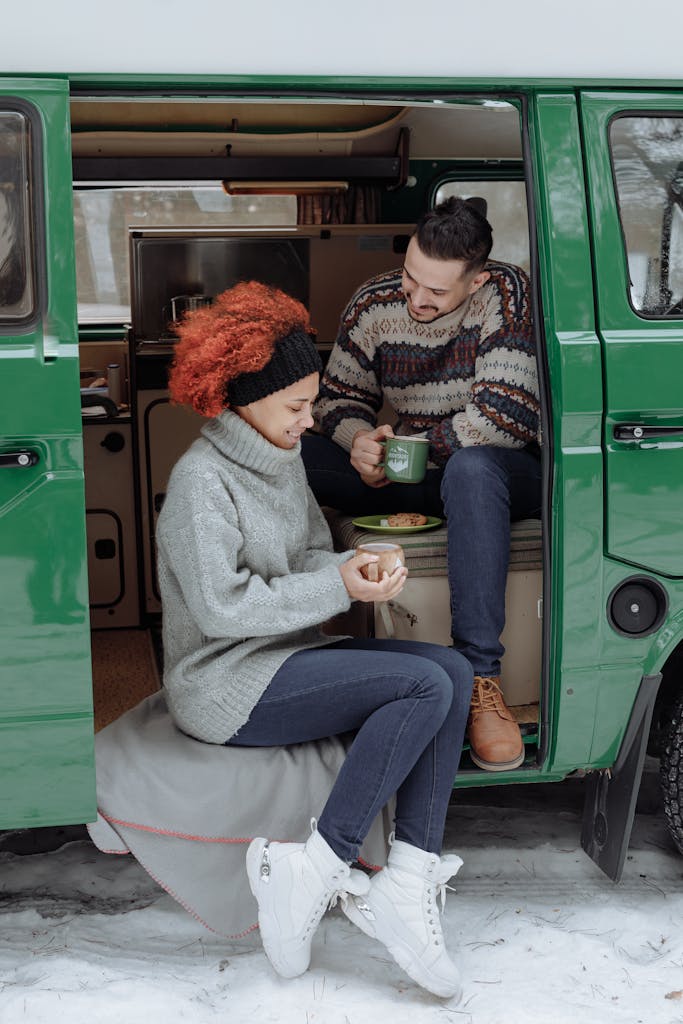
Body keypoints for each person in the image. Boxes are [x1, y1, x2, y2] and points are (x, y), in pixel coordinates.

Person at [155, 281, 474, 1000]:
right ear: (245, 401)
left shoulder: (280, 460)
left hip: (286, 657)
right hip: (222, 682)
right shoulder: (200, 482)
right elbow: (221, 612)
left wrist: (351, 567)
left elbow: (303, 556)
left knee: (450, 671)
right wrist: (337, 590)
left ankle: (409, 876)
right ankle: (313, 866)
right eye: (297, 406)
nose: (310, 420)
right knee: (422, 683)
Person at [302, 196, 541, 773]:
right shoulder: (375, 301)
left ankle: (481, 681)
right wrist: (362, 442)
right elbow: (337, 399)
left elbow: (505, 414)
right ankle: (301, 648)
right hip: (410, 472)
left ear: (476, 278)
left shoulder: (507, 294)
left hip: (496, 474)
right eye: (411, 277)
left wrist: (415, 448)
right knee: (292, 452)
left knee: (474, 467)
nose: (416, 298)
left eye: (435, 290)